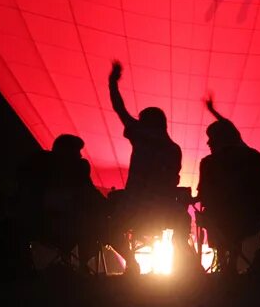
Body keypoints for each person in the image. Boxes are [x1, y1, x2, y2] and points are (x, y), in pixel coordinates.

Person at [107, 60, 196, 274]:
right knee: (183, 220)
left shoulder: (142, 138)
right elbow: (172, 180)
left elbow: (120, 109)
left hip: (135, 207)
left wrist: (113, 83)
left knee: (107, 228)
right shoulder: (173, 148)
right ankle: (182, 259)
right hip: (165, 209)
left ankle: (131, 261)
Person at [196, 97, 260, 274]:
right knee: (229, 214)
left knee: (213, 214)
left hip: (221, 220)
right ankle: (231, 259)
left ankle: (223, 259)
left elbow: (204, 195)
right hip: (254, 220)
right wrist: (213, 111)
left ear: (219, 139)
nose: (208, 143)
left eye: (211, 138)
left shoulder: (209, 163)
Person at [14, 133, 107, 274]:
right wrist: (108, 206)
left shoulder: (37, 166)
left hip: (44, 224)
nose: (80, 155)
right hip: (59, 224)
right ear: (67, 151)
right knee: (93, 224)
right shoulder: (75, 171)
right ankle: (82, 265)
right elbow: (90, 194)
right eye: (77, 151)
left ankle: (70, 264)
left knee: (90, 222)